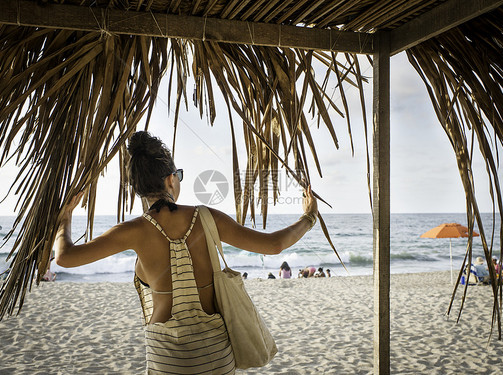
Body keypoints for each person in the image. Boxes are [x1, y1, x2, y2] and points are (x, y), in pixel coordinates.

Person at [54, 131, 318, 373]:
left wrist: (65, 216)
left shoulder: (131, 231)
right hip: (214, 353)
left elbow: (64, 257)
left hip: (166, 357)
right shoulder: (206, 217)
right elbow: (274, 244)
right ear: (170, 179)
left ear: (138, 188)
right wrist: (308, 217)